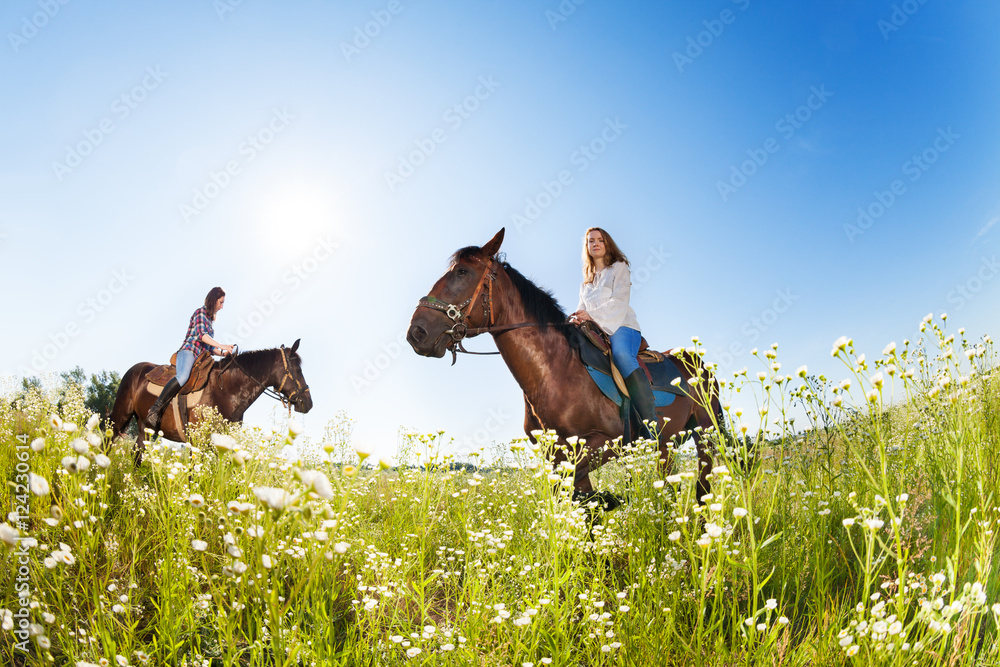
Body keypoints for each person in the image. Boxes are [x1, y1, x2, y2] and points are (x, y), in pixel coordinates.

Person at [569, 228, 658, 440]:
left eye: (600, 240)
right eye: (591, 241)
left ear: (607, 244)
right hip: (595, 330)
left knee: (622, 356)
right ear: (587, 247)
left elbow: (619, 301)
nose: (596, 244)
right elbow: (582, 307)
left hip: (622, 327)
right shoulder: (586, 282)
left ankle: (650, 425)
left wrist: (589, 314)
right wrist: (576, 319)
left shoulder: (619, 268)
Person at [147, 287, 236, 429]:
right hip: (189, 352)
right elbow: (202, 336)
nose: (222, 306)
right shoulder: (200, 313)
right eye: (221, 302)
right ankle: (155, 409)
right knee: (182, 377)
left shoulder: (210, 322)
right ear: (213, 301)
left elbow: (209, 348)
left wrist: (223, 353)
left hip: (200, 357)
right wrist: (223, 345)